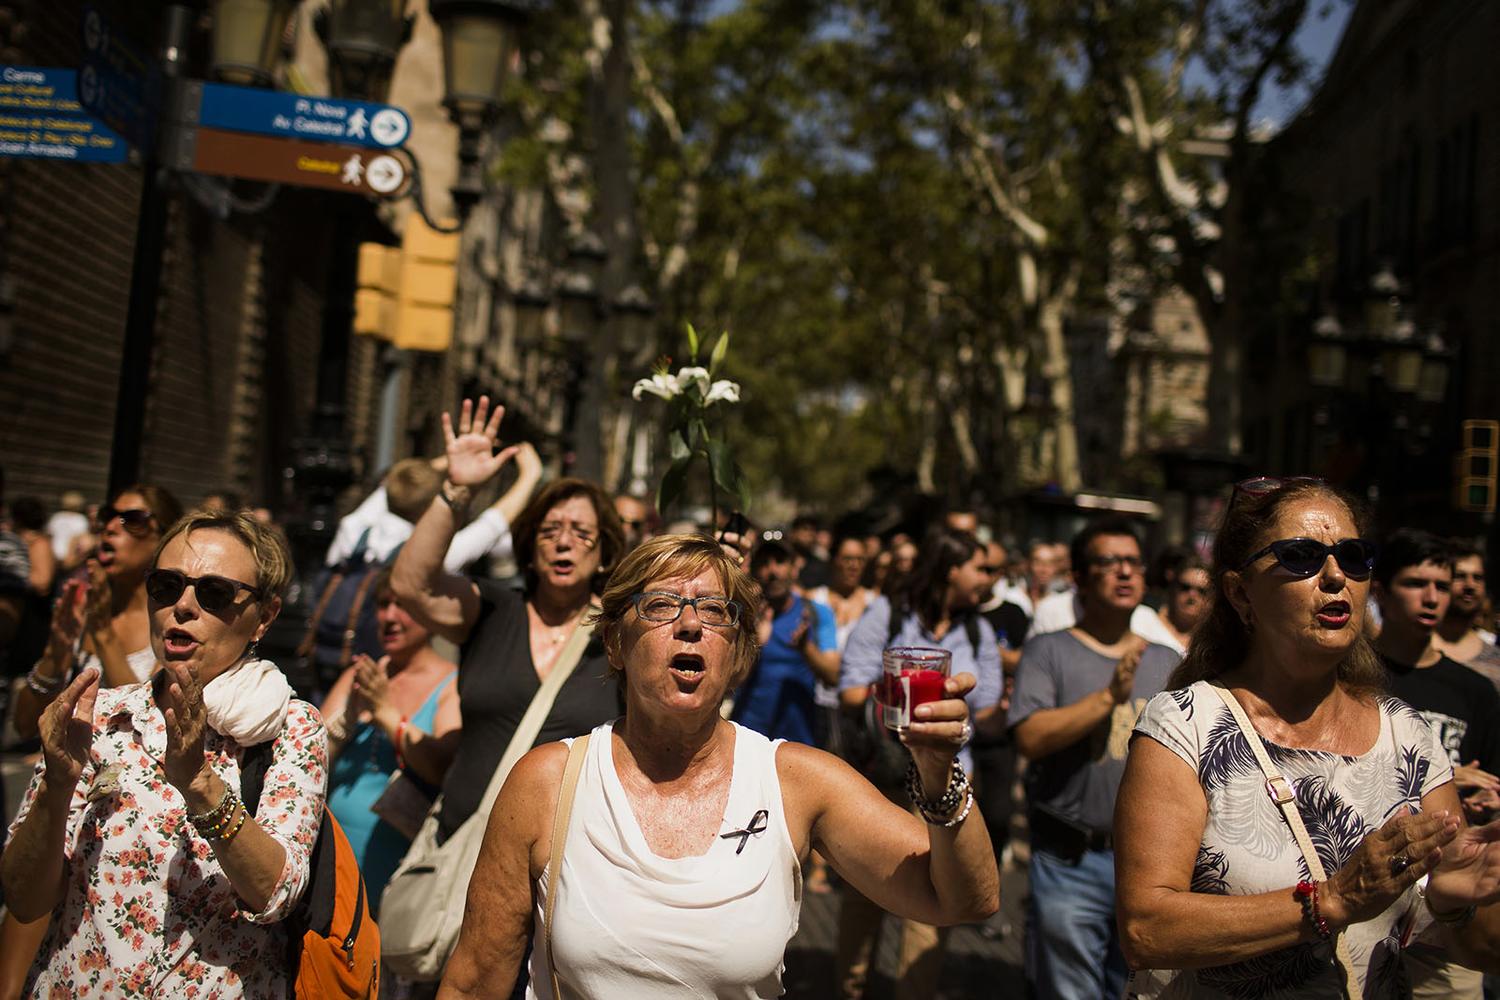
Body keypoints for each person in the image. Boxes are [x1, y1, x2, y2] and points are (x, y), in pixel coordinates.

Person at [437, 533, 999, 999]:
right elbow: (473, 983)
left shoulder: (797, 781)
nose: (689, 625)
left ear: (738, 653)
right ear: (614, 642)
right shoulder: (548, 783)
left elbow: (962, 899)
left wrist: (937, 772)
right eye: (660, 606)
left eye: (714, 611)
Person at [1117, 477, 1500, 998]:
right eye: (1300, 555)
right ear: (1239, 591)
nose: (1336, 575)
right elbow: (1145, 929)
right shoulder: (1184, 724)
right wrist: (1332, 899)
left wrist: (1457, 905)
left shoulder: (1410, 737)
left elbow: (1478, 949)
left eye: (1355, 555)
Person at [0, 508, 325, 997]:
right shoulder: (100, 717)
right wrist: (56, 785)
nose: (184, 606)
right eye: (166, 586)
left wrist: (200, 785)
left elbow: (275, 893)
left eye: (214, 593)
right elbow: (24, 899)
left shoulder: (291, 728)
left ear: (265, 617)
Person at [390, 398, 625, 844]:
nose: (564, 543)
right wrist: (457, 492)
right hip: (463, 845)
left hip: (570, 859)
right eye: (550, 530)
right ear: (530, 547)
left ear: (603, 554)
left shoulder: (620, 635)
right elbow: (410, 585)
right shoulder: (493, 610)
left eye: (581, 533)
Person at [1008, 516, 1180, 999]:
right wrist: (1109, 697)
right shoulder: (1048, 651)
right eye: (1109, 562)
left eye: (1133, 562)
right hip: (1071, 862)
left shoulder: (1168, 660)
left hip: (1150, 867)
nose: (1125, 573)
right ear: (1080, 579)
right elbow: (1031, 738)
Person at [836, 526, 1005, 1000]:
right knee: (866, 892)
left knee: (935, 907)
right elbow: (850, 686)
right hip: (886, 776)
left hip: (947, 781)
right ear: (951, 569)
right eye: (981, 568)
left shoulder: (978, 628)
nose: (988, 578)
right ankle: (850, 989)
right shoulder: (888, 615)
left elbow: (987, 703)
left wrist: (962, 702)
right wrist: (895, 692)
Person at [320, 571, 460, 913]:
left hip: (394, 871)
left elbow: (441, 767)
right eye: (383, 605)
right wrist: (349, 719)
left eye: (404, 606)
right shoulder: (362, 674)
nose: (390, 617)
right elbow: (310, 756)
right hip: (334, 860)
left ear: (428, 613)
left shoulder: (452, 685)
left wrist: (384, 712)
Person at [13, 484, 183, 737]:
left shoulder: (174, 618)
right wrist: (54, 657)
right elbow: (24, 726)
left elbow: (145, 725)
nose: (111, 527)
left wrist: (103, 634)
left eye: (132, 519)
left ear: (164, 537)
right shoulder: (84, 609)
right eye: (107, 516)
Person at [1372, 530, 1500, 833]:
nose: (1431, 598)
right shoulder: (1349, 677)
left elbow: (1492, 782)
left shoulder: (1476, 691)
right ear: (1380, 593)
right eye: (1415, 584)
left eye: (1442, 587)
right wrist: (1445, 777)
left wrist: (1484, 802)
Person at [327, 444, 543, 574]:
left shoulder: (353, 528)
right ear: (430, 508)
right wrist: (530, 474)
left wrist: (451, 460)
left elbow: (398, 484)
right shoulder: (430, 554)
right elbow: (492, 524)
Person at [733, 539, 838, 745]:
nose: (772, 571)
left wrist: (805, 648)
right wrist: (755, 642)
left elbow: (833, 675)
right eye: (764, 563)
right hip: (748, 741)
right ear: (753, 570)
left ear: (794, 568)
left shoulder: (815, 613)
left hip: (800, 743)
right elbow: (730, 679)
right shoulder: (740, 613)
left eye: (779, 561)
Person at [1435, 545, 1500, 691]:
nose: (1470, 585)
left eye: (1477, 578)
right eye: (1460, 576)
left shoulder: (1497, 660)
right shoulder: (1416, 650)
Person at [1157, 555, 1211, 651]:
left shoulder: (1211, 645)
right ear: (1173, 589)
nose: (1192, 596)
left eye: (1202, 591)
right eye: (1185, 587)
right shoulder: (1146, 621)